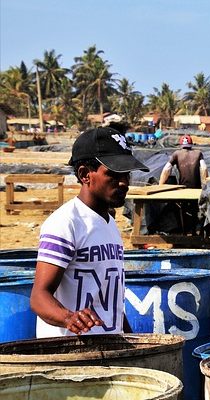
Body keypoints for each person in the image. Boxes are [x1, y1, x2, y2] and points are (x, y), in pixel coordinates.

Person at [30, 127, 149, 337]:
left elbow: (111, 304)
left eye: (127, 174)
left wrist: (130, 341)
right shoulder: (66, 223)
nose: (124, 183)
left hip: (107, 352)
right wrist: (68, 317)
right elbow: (39, 297)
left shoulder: (110, 225)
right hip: (71, 355)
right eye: (113, 174)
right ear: (85, 174)